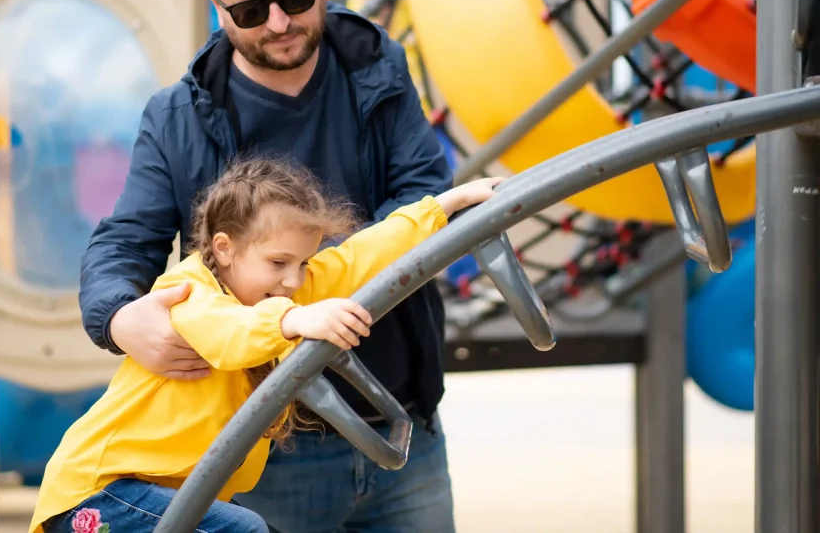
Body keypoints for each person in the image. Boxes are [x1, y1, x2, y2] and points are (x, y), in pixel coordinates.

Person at [79, 0, 458, 531]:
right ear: (216, 5)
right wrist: (121, 318)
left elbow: (419, 192)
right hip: (266, 444)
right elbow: (125, 241)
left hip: (399, 417)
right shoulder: (179, 117)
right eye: (251, 10)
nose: (279, 22)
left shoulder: (376, 68)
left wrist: (312, 280)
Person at [36, 157, 502, 532]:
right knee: (243, 530)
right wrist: (296, 319)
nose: (293, 278)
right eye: (279, 261)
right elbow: (229, 336)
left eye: (303, 263)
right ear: (224, 247)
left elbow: (363, 255)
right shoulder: (190, 291)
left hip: (165, 497)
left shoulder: (285, 287)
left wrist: (445, 206)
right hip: (101, 492)